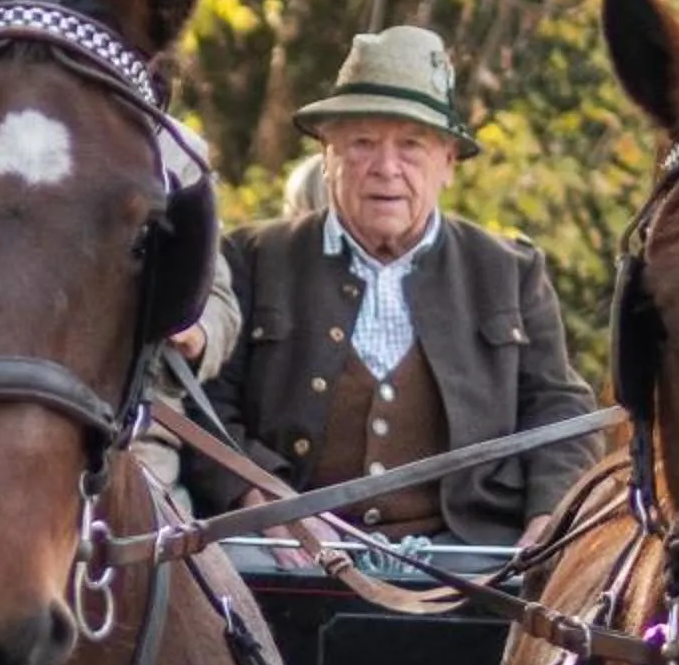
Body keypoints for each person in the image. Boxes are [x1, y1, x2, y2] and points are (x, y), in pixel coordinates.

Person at [198, 27, 598, 544]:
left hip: (469, 569)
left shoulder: (509, 271)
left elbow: (560, 410)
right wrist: (260, 498)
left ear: (448, 164)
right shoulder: (252, 258)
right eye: (363, 143)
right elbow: (203, 405)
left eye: (412, 146)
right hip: (283, 560)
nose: (386, 168)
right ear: (327, 153)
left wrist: (550, 518)